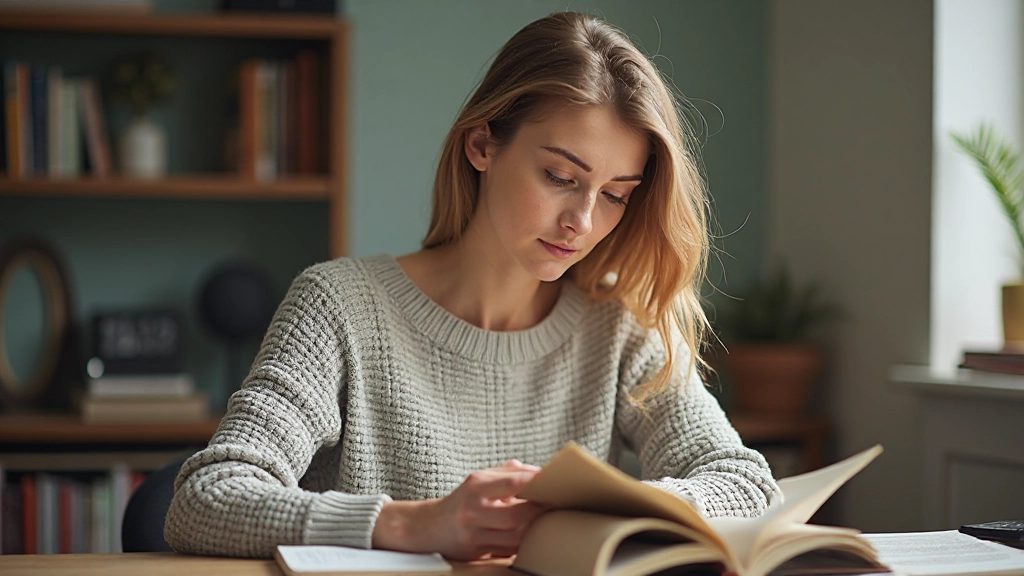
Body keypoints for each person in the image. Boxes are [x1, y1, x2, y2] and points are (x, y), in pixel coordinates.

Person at [165, 11, 779, 560]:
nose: (583, 222)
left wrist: (605, 516)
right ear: (483, 144)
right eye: (561, 176)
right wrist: (411, 525)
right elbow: (205, 498)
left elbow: (744, 483)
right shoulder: (339, 307)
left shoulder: (618, 325)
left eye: (616, 194)